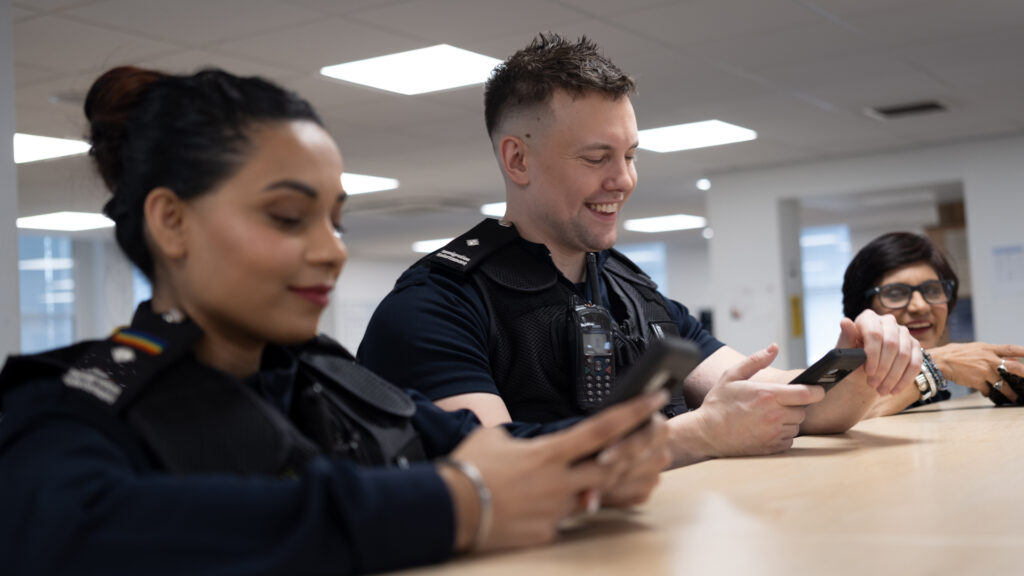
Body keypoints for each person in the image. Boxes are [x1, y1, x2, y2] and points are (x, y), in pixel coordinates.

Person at [0, 66, 673, 576]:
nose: (331, 250)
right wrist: (456, 504)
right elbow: (76, 532)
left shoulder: (328, 378)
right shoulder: (69, 409)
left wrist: (597, 456)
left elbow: (484, 445)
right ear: (171, 222)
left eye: (335, 220)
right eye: (289, 218)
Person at [358, 32, 921, 468]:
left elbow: (786, 407)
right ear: (517, 160)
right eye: (596, 157)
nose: (624, 180)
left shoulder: (631, 290)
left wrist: (864, 369)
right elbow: (493, 463)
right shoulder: (436, 305)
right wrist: (697, 433)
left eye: (630, 154)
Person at [842, 231, 1024, 415]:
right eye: (896, 294)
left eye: (932, 290)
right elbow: (833, 418)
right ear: (861, 308)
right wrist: (937, 364)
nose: (920, 306)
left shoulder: (932, 392)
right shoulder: (838, 376)